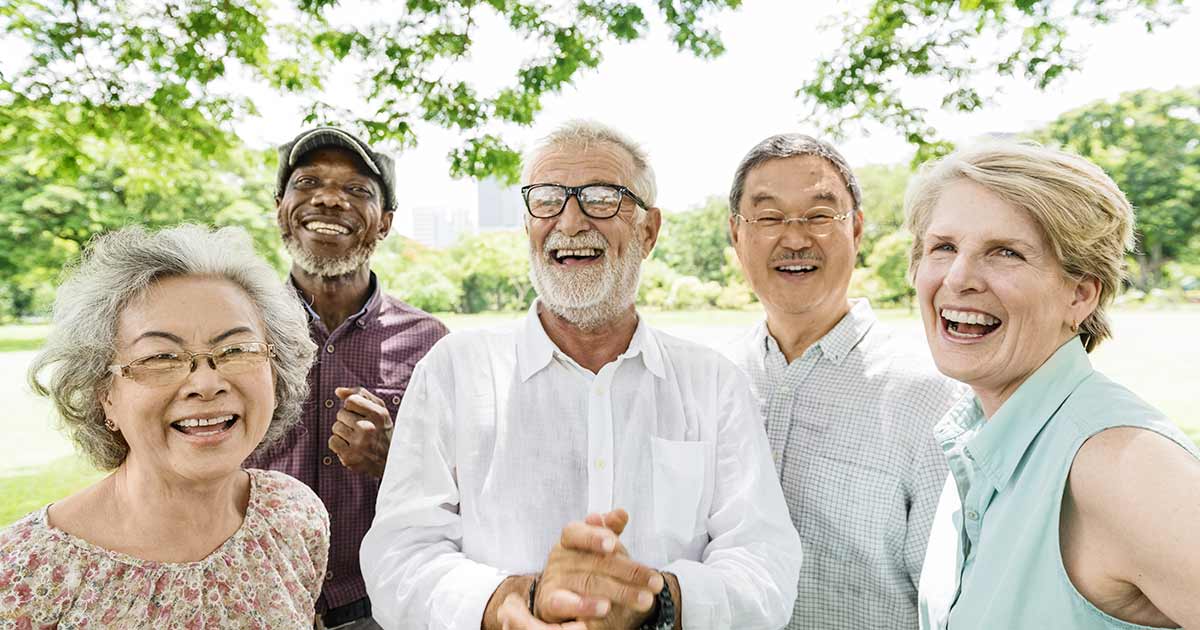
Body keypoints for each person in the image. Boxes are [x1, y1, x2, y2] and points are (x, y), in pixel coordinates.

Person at [360, 120, 802, 630]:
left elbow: (765, 564)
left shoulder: (713, 384)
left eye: (601, 197)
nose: (570, 222)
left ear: (649, 231)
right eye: (546, 199)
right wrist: (521, 599)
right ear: (528, 226)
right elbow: (399, 557)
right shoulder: (454, 371)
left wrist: (652, 602)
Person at [908, 141, 1200, 629]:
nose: (959, 278)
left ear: (1081, 294)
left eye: (1006, 253)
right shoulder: (979, 436)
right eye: (944, 247)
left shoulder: (1120, 462)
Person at [0, 225, 327, 627]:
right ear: (104, 393)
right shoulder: (23, 576)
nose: (207, 383)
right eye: (160, 358)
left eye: (237, 350)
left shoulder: (293, 515)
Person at [723, 133, 968, 630]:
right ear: (736, 234)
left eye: (818, 215)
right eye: (769, 217)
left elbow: (951, 607)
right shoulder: (715, 381)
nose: (795, 239)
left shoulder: (930, 395)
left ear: (856, 229)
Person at [244, 126, 448, 629]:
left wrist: (391, 458)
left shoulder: (431, 342)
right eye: (308, 182)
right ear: (280, 207)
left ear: (385, 223)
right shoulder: (234, 328)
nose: (329, 199)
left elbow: (463, 492)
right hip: (252, 601)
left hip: (381, 609)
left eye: (357, 190)